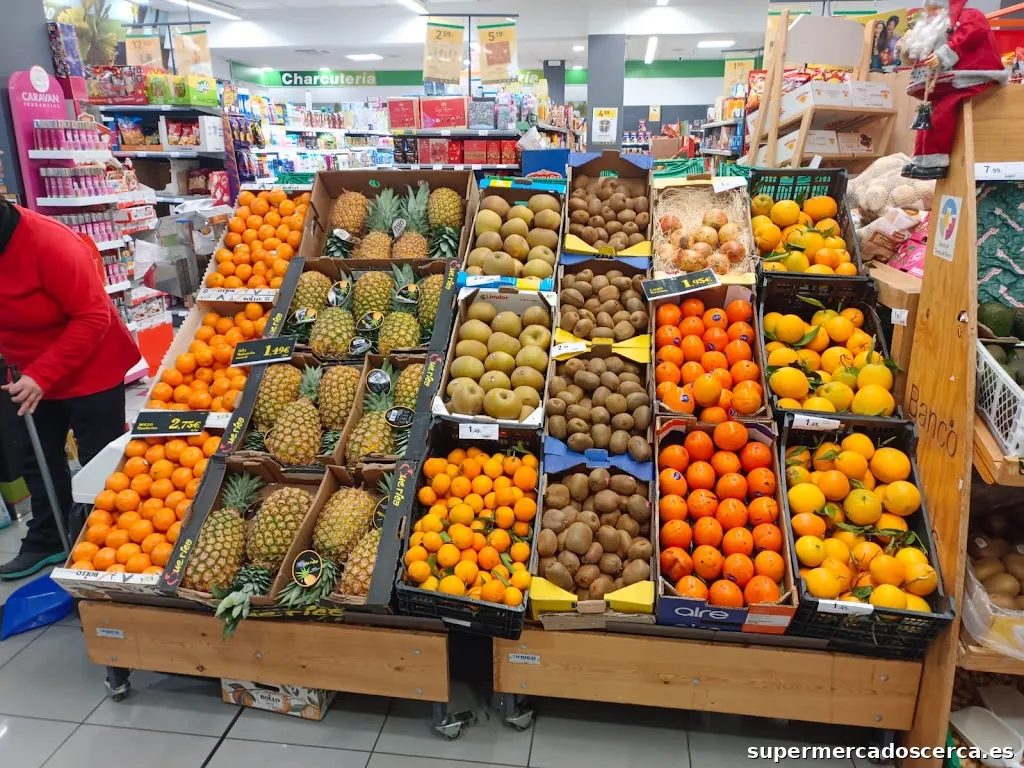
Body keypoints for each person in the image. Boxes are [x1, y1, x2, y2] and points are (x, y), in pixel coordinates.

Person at [0, 198, 141, 580]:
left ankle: (111, 539)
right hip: (27, 367)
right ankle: (49, 536)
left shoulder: (49, 243)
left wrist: (43, 375)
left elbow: (93, 316)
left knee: (100, 460)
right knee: (36, 458)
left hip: (91, 362)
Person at [901, 0, 1008, 179]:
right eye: (929, 9)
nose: (931, 13)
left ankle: (936, 161)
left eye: (935, 8)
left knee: (942, 113)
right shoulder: (937, 27)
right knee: (925, 117)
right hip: (945, 83)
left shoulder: (971, 16)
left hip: (970, 78)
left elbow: (969, 36)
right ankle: (922, 158)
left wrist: (943, 54)